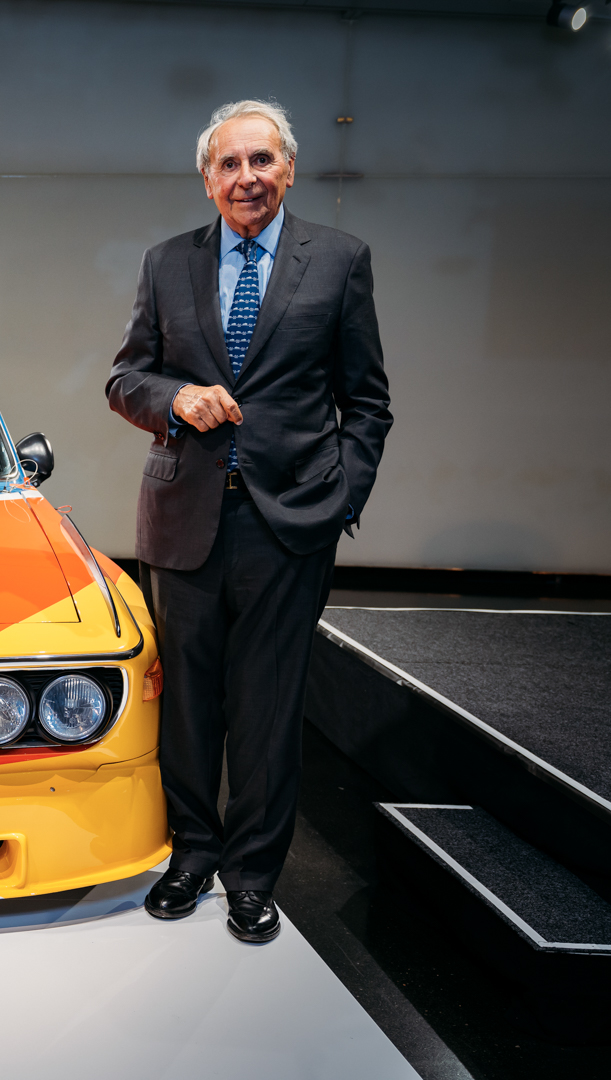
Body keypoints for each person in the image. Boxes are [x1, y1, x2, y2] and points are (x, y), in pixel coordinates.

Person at [105, 100, 391, 942]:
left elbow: (366, 402)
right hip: (183, 518)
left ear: (288, 169)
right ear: (206, 178)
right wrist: (174, 398)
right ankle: (191, 853)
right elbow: (125, 379)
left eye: (260, 160)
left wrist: (340, 500)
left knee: (267, 709)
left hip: (288, 523)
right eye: (227, 164)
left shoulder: (338, 261)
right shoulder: (167, 262)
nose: (245, 178)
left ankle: (253, 874)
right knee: (187, 706)